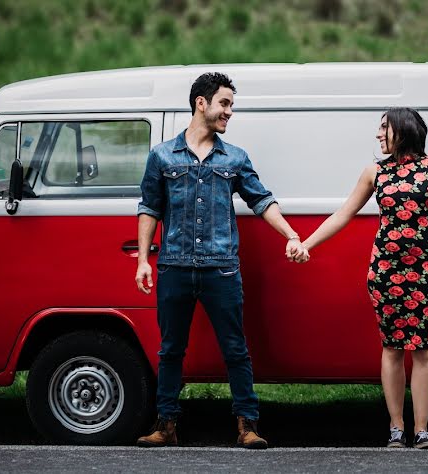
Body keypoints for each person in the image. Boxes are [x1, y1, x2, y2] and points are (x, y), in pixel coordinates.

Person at [134, 72, 305, 449]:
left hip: (221, 268)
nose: (229, 112)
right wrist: (143, 260)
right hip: (174, 266)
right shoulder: (162, 156)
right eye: (224, 104)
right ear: (201, 103)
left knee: (235, 348)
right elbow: (149, 207)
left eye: (231, 105)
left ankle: (248, 426)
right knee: (170, 350)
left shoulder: (235, 158)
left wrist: (292, 235)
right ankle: (166, 425)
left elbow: (262, 201)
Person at [296, 107, 428, 449]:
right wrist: (306, 243)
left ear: (403, 129)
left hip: (427, 270)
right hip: (385, 272)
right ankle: (397, 428)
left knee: (425, 349)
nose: (378, 135)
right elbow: (344, 213)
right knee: (392, 347)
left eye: (384, 128)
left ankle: (423, 429)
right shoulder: (375, 172)